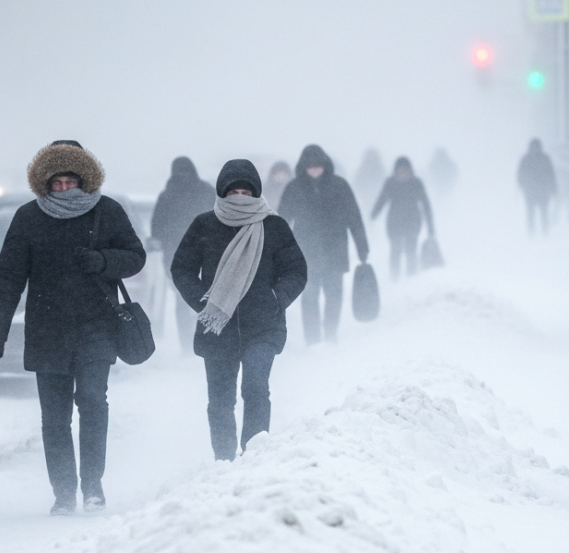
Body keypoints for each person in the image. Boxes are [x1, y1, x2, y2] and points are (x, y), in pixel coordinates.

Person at [0, 140, 146, 516]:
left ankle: (92, 487)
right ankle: (63, 492)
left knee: (93, 401)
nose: (63, 189)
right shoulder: (28, 217)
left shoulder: (107, 211)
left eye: (70, 181)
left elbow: (136, 257)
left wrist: (103, 260)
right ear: (44, 182)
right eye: (56, 183)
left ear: (84, 179)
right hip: (48, 328)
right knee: (54, 417)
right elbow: (8, 279)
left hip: (96, 326)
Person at [171, 160, 307, 460]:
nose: (240, 197)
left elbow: (296, 270)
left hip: (263, 325)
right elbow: (181, 269)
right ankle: (224, 461)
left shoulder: (274, 226)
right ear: (222, 192)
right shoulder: (204, 225)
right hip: (217, 326)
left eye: (246, 192)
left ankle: (254, 457)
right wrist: (204, 302)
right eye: (233, 192)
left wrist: (276, 297)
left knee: (255, 388)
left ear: (256, 192)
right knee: (220, 399)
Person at [278, 144, 368, 344]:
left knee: (334, 295)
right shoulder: (294, 188)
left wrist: (363, 248)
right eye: (310, 166)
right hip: (305, 253)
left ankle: (330, 335)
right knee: (309, 297)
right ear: (303, 167)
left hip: (335, 250)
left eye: (318, 165)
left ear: (325, 165)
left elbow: (354, 218)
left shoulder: (340, 186)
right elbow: (282, 221)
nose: (314, 169)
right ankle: (312, 340)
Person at [151, 157, 217, 352]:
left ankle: (189, 345)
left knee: (185, 299)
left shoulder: (167, 194)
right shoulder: (205, 191)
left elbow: (157, 228)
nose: (184, 176)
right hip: (201, 252)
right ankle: (203, 342)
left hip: (179, 254)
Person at [370, 156, 435, 280]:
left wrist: (431, 227)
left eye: (405, 170)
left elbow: (426, 205)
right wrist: (374, 214)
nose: (403, 173)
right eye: (400, 170)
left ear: (410, 170)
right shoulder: (390, 183)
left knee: (411, 250)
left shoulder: (416, 183)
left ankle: (411, 277)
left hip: (413, 221)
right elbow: (382, 199)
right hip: (394, 222)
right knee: (395, 250)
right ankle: (395, 277)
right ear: (395, 171)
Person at [517, 138, 558, 234]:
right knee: (535, 212)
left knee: (541, 211)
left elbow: (551, 174)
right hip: (537, 190)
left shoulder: (526, 159)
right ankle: (534, 231)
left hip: (536, 190)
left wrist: (522, 186)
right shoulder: (544, 158)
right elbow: (551, 174)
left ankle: (542, 230)